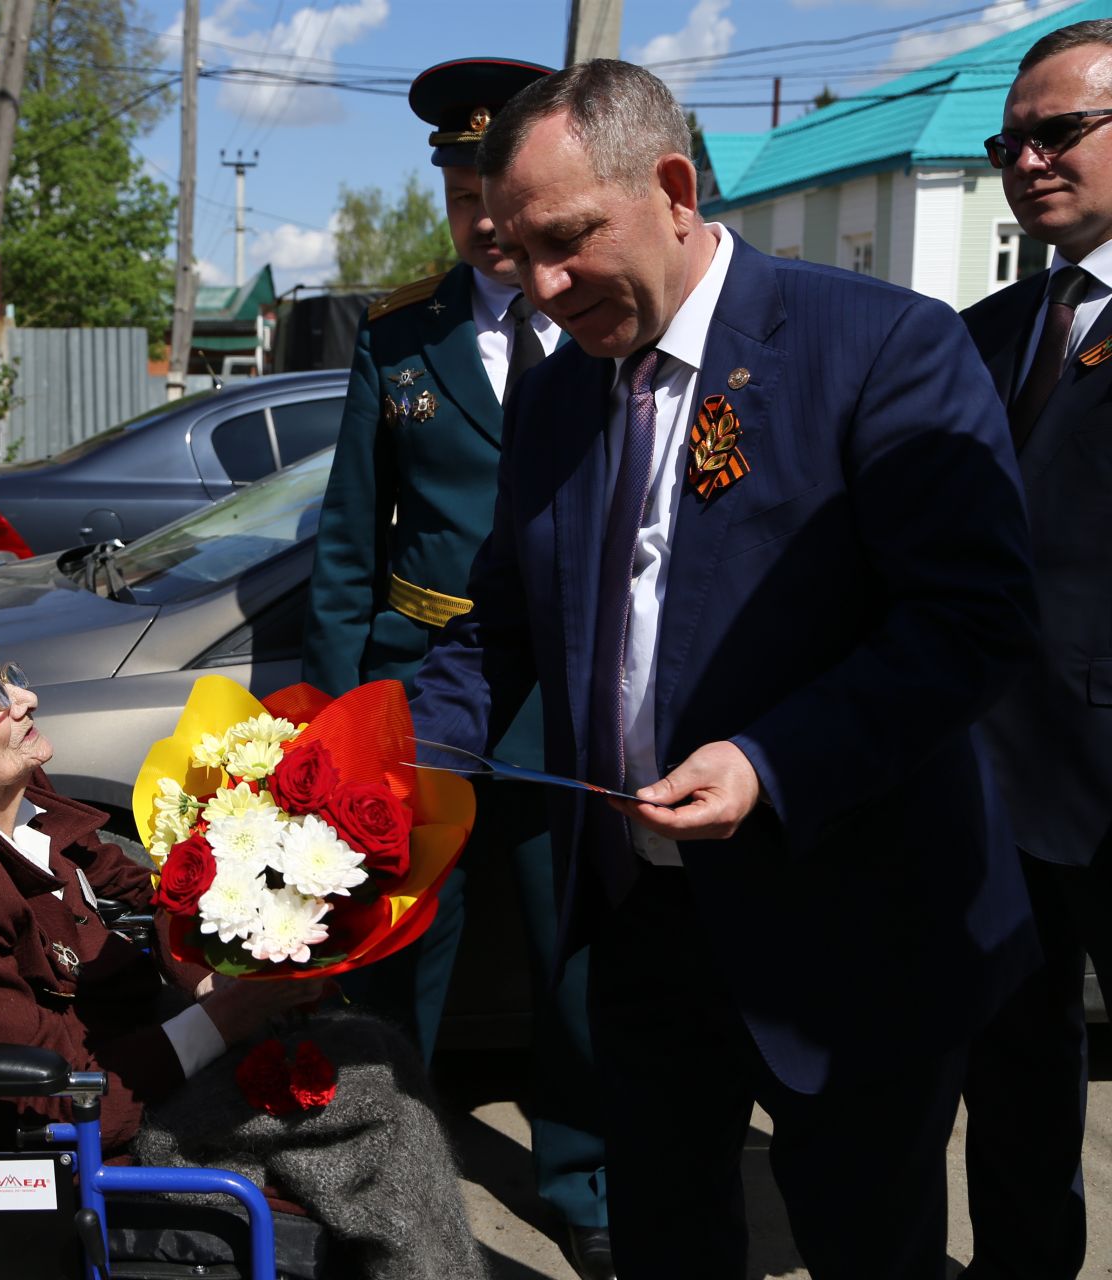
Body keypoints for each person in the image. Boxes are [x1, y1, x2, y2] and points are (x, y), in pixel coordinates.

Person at [410, 59, 1041, 1277]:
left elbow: (971, 618)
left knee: (869, 1244)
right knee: (668, 1242)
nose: (540, 289)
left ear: (674, 185)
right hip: (645, 930)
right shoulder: (555, 395)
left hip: (851, 931)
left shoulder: (878, 346)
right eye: (517, 252)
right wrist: (386, 771)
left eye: (566, 241)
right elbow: (499, 633)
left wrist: (768, 758)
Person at [0, 618, 486, 1280]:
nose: (25, 698)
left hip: (119, 1050)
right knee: (374, 1098)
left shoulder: (4, 792)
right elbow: (48, 1097)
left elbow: (118, 879)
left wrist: (217, 921)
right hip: (50, 1143)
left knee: (358, 1044)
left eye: (7, 675)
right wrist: (228, 1017)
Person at [302, 55, 611, 1278]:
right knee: (395, 961)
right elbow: (345, 544)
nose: (484, 217)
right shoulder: (404, 334)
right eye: (460, 189)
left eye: (499, 185)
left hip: (564, 706)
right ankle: (388, 1165)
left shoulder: (598, 322)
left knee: (567, 957)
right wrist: (336, 724)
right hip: (415, 688)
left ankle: (583, 1177)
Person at [958, 20, 1112, 1279]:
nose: (1028, 160)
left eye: (1059, 132)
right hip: (999, 790)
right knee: (1013, 1091)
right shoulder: (987, 327)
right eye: (1011, 139)